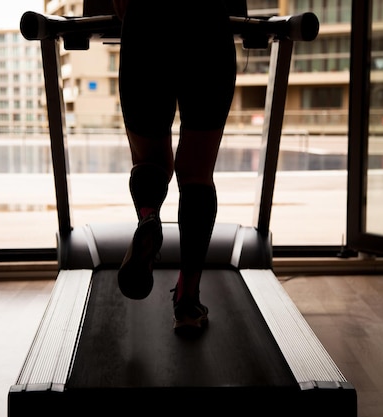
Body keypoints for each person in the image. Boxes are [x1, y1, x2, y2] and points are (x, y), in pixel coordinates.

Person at [113, 0, 237, 336]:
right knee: (196, 173)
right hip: (206, 21)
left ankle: (149, 215)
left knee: (150, 160)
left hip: (147, 20)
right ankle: (186, 301)